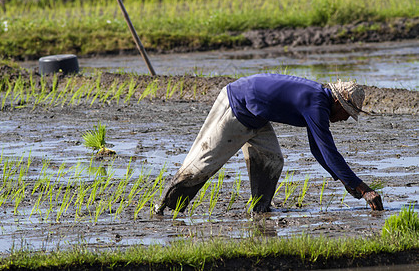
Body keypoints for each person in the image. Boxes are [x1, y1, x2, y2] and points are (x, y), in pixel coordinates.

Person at [155, 73, 384, 215]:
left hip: (256, 115)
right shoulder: (316, 105)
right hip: (236, 106)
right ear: (337, 101)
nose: (344, 118)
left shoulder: (318, 99)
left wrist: (347, 182)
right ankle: (163, 209)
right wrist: (362, 188)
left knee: (272, 160)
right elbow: (328, 151)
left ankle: (260, 210)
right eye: (346, 112)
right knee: (203, 164)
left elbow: (317, 150)